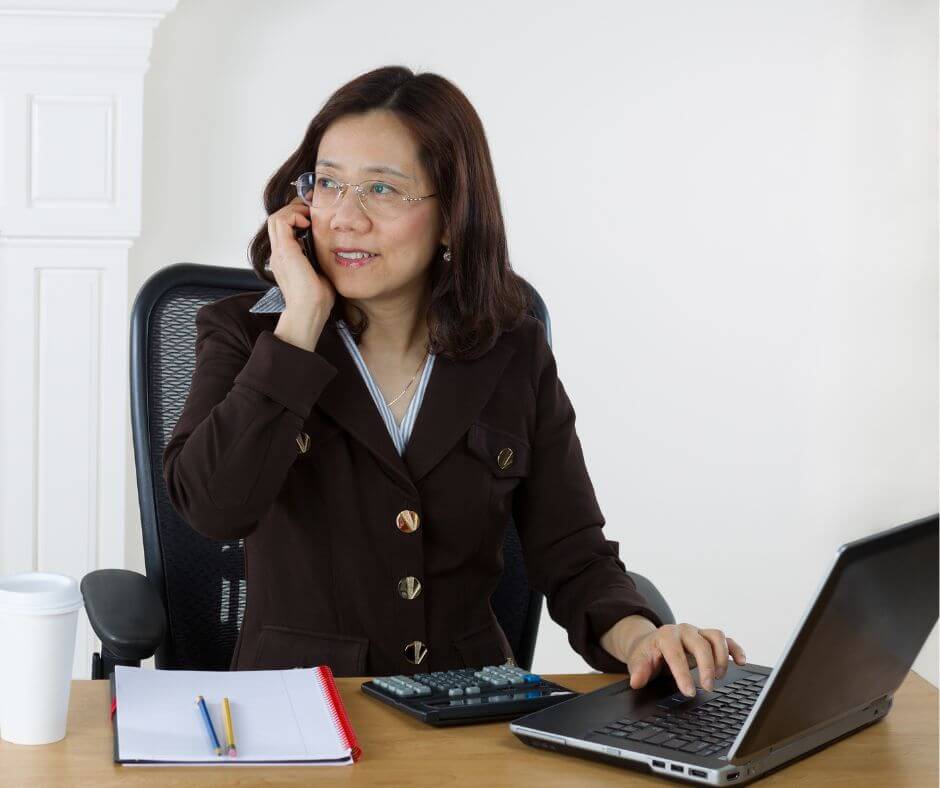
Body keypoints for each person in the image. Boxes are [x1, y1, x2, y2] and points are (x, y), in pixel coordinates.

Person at [163, 65, 745, 694]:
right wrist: (300, 321)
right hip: (298, 714)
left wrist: (642, 636)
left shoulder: (512, 351)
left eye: (383, 190)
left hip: (468, 709)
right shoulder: (247, 334)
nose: (344, 218)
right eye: (328, 184)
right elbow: (215, 508)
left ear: (451, 217)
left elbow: (575, 556)